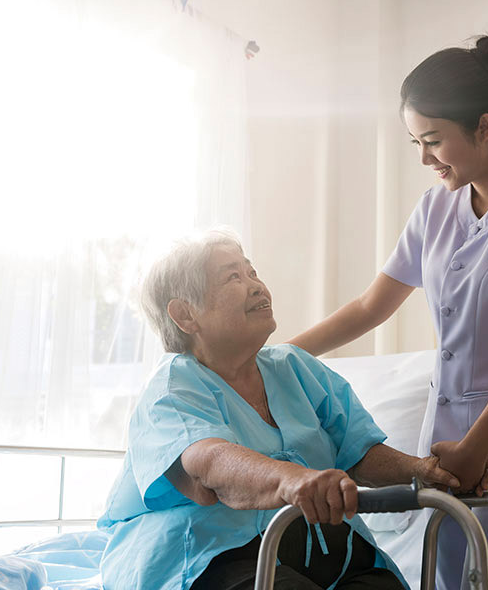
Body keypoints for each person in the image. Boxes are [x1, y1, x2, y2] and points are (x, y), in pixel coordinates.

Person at [289, 35, 488, 590]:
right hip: (444, 437)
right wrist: (281, 356)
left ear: (482, 126)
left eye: (433, 140)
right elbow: (370, 306)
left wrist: (478, 449)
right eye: (415, 142)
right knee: (442, 578)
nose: (424, 158)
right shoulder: (436, 206)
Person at [97, 228, 467, 590]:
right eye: (233, 277)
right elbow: (208, 462)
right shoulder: (173, 387)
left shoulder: (296, 368)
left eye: (252, 271)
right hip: (210, 556)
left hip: (327, 552)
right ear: (186, 315)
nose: (257, 285)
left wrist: (423, 470)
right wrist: (291, 478)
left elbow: (357, 452)